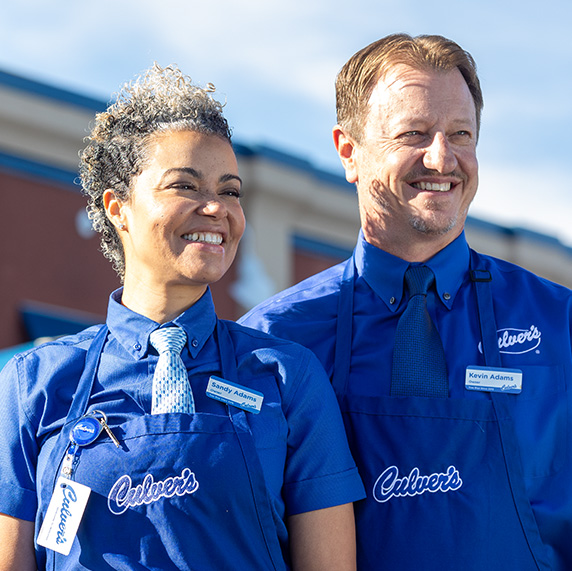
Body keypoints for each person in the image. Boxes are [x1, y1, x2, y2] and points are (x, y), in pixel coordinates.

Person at [0, 64, 365, 570]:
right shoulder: (33, 382)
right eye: (186, 186)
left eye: (230, 191)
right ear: (118, 208)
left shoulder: (287, 376)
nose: (216, 208)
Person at [240, 33, 572, 570]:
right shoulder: (273, 341)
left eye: (460, 134)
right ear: (349, 152)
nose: (442, 158)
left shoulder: (560, 323)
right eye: (414, 133)